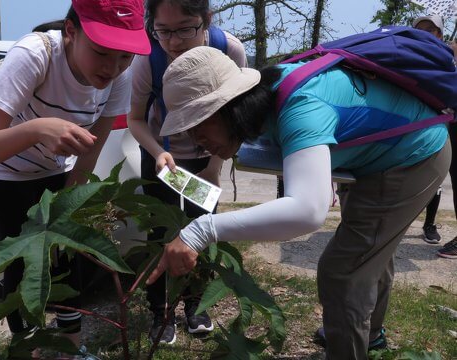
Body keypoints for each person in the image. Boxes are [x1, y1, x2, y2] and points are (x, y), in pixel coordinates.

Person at [145, 46, 450, 359]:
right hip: (373, 156)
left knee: (343, 270)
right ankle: (365, 333)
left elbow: (307, 211)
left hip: (413, 153)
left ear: (229, 106)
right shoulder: (268, 99)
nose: (195, 138)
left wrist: (201, 230)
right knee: (369, 251)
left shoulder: (301, 105)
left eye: (198, 123)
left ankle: (353, 344)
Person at [0, 0, 150, 356]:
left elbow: (90, 152)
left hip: (56, 167)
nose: (113, 68)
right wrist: (37, 129)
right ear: (71, 31)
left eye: (124, 57)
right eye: (101, 53)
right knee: (23, 260)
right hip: (5, 171)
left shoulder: (120, 75)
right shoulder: (35, 57)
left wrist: (68, 207)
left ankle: (70, 347)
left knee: (67, 256)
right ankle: (27, 345)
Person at [126, 0, 247, 344]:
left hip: (206, 157)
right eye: (162, 30)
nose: (173, 42)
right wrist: (159, 152)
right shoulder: (148, 59)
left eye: (184, 29)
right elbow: (136, 119)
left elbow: (237, 113)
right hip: (162, 155)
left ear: (206, 20)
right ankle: (160, 312)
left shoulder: (230, 50)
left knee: (202, 230)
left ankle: (196, 304)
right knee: (160, 231)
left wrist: (214, 166)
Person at [413, 15, 457, 257]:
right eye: (421, 29)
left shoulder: (449, 54)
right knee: (428, 176)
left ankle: (429, 225)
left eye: (431, 30)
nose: (426, 33)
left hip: (450, 124)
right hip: (423, 124)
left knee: (443, 178)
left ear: (440, 34)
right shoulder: (410, 54)